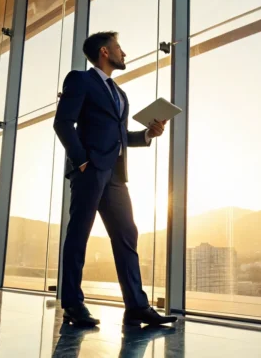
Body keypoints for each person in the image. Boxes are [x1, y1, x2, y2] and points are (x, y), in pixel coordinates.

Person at [54, 31, 176, 327]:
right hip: (90, 171)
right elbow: (63, 122)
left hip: (116, 175)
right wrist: (82, 160)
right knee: (78, 236)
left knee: (127, 235)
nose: (124, 53)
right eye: (119, 47)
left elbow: (120, 137)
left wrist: (148, 134)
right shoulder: (80, 80)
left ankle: (136, 306)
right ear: (104, 52)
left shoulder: (120, 94)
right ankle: (72, 305)